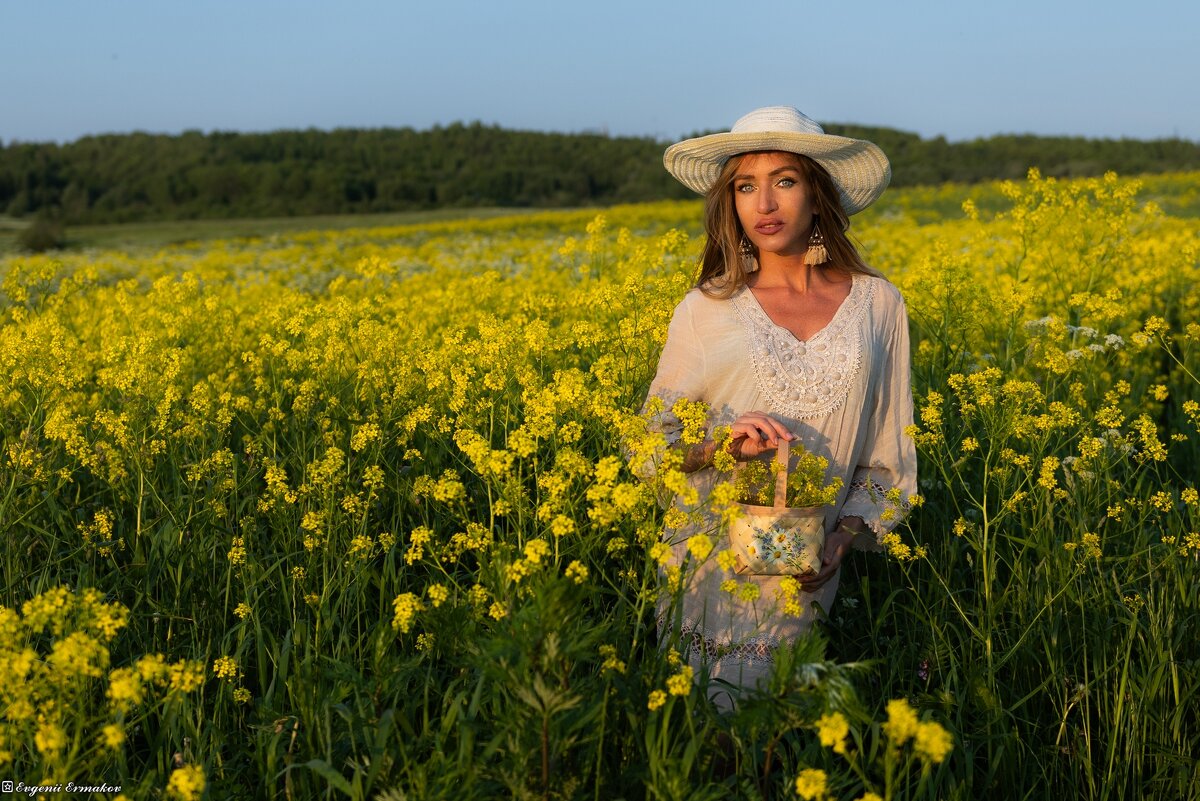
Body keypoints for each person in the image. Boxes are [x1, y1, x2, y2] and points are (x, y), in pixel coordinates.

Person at [643, 106, 917, 708]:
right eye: (745, 186)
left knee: (787, 738)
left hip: (805, 572)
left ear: (818, 196)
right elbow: (648, 448)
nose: (764, 204)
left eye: (784, 181)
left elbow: (887, 456)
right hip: (709, 566)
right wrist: (719, 444)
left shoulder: (879, 305)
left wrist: (843, 540)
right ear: (731, 204)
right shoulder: (705, 308)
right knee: (707, 743)